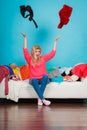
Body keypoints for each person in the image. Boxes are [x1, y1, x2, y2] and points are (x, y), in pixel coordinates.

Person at [21, 32, 60, 106]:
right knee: (33, 80)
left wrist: (55, 42)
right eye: (36, 51)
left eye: (39, 51)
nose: (38, 53)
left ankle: (39, 98)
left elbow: (52, 53)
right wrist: (25, 38)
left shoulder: (43, 58)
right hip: (34, 80)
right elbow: (25, 50)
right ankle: (43, 99)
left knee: (45, 76)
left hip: (43, 80)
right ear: (33, 51)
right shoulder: (29, 59)